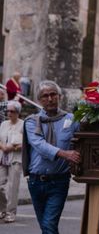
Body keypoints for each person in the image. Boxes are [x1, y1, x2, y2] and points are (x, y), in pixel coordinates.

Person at [23, 80, 81, 234]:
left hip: (59, 182)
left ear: (59, 96)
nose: (49, 99)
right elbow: (39, 144)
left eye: (53, 94)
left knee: (49, 224)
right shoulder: (31, 122)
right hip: (35, 182)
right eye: (45, 96)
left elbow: (86, 135)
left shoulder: (72, 119)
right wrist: (64, 153)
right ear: (39, 100)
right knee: (46, 226)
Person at [0, 101, 24, 223]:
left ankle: (11, 213)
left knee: (12, 187)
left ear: (18, 112)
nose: (9, 113)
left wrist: (12, 148)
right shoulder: (3, 124)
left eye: (12, 111)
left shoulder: (23, 125)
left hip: (15, 159)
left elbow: (26, 144)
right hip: (2, 158)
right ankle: (3, 209)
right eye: (7, 111)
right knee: (0, 185)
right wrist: (3, 147)